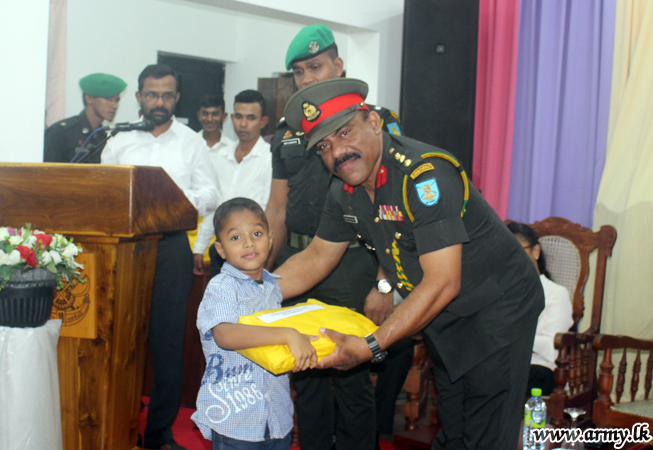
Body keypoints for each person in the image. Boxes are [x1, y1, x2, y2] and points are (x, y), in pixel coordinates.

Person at [275, 78, 545, 450]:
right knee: (454, 430)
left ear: (372, 122)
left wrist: (370, 346)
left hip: (497, 307)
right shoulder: (345, 192)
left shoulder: (423, 175)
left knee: (486, 432)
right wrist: (252, 287)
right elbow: (317, 256)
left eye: (344, 133)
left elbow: (443, 281)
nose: (337, 152)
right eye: (324, 145)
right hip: (445, 315)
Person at [264, 24, 410, 450]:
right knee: (305, 374)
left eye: (315, 66)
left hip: (353, 263)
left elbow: (391, 210)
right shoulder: (287, 131)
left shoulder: (372, 122)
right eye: (299, 72)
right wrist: (263, 274)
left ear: (338, 65)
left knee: (351, 379)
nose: (307, 78)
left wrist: (384, 284)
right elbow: (277, 208)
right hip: (299, 260)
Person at [101, 63, 219, 450]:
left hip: (171, 248)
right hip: (125, 250)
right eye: (152, 94)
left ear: (176, 98)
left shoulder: (191, 142)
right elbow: (103, 190)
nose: (159, 102)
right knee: (121, 341)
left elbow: (211, 193)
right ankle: (117, 426)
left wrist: (173, 203)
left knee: (167, 343)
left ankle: (159, 435)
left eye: (167, 95)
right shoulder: (118, 139)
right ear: (139, 97)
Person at [192, 197, 318, 449]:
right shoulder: (222, 287)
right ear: (221, 250)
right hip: (237, 418)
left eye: (257, 233)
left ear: (270, 239)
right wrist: (288, 335)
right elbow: (225, 335)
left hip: (277, 416)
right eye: (236, 237)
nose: (249, 243)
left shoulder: (272, 286)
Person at [194, 90, 271, 278]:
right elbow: (214, 206)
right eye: (238, 117)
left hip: (252, 252)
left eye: (251, 118)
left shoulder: (270, 158)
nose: (243, 124)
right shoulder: (221, 155)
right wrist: (200, 247)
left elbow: (271, 211)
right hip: (221, 251)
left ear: (263, 122)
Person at [507, 221, 573, 397]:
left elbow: (554, 348)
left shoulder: (556, 294)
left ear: (536, 251)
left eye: (518, 251)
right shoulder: (501, 293)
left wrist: (512, 336)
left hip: (539, 369)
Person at [44, 73, 126, 163]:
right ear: (89, 98)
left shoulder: (104, 136)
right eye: (108, 98)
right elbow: (46, 171)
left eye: (117, 100)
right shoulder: (61, 132)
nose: (115, 106)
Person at [197, 94, 234, 164]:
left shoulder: (232, 148)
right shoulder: (189, 144)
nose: (209, 119)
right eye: (205, 114)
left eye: (215, 114)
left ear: (224, 116)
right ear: (199, 115)